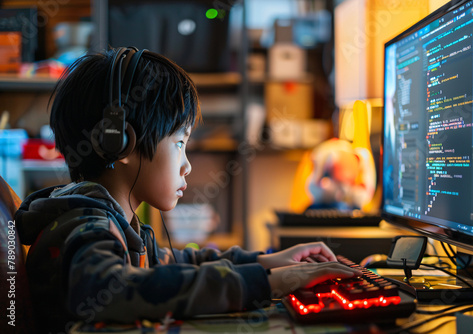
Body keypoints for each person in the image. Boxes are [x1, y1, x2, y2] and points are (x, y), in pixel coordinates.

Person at [15, 47, 361, 334]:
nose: (187, 165)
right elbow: (110, 290)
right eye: (179, 143)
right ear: (119, 142)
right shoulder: (86, 224)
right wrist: (268, 284)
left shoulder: (113, 222)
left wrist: (266, 263)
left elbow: (179, 262)